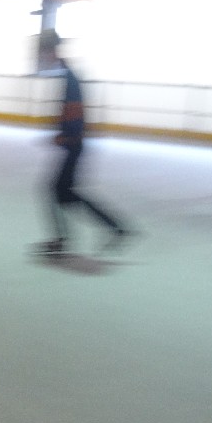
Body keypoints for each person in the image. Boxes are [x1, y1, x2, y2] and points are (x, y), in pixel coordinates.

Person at [34, 30, 132, 256]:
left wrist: (65, 136)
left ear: (51, 51)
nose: (42, 57)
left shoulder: (70, 77)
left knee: (58, 191)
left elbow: (75, 114)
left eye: (44, 52)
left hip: (73, 145)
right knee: (65, 194)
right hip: (73, 144)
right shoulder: (67, 73)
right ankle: (114, 228)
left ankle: (67, 238)